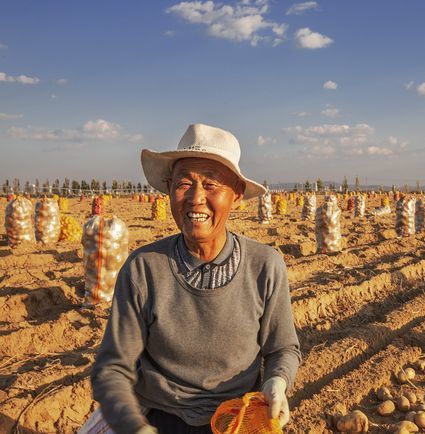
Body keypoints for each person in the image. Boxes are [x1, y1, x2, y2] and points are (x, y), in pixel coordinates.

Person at [91, 124, 301, 434]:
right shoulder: (143, 268)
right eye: (184, 183)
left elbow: (283, 348)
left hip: (236, 419)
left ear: (237, 195)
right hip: (155, 415)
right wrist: (134, 426)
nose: (195, 198)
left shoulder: (265, 265)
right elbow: (112, 368)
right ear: (169, 188)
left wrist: (276, 383)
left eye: (211, 184)